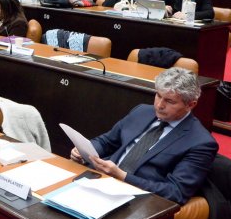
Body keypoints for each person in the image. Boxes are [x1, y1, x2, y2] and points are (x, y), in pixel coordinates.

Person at [70, 67, 218, 205]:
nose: (159, 105)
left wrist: (122, 176)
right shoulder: (142, 111)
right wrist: (84, 151)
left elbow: (176, 192)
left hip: (139, 198)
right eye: (158, 95)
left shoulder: (201, 142)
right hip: (100, 180)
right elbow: (107, 141)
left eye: (169, 101)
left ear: (190, 104)